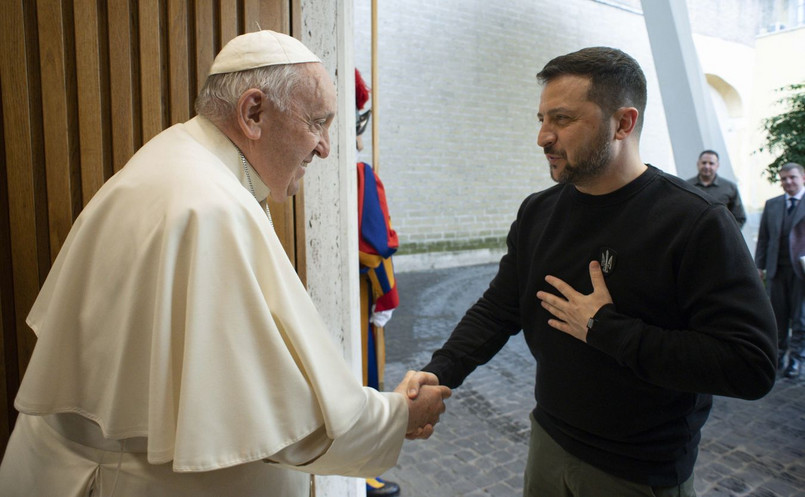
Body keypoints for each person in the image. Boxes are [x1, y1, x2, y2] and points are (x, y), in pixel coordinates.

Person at [0, 30, 451, 497]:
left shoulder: (174, 157)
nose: (325, 149)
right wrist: (398, 416)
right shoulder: (211, 207)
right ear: (253, 113)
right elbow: (283, 420)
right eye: (318, 122)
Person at [415, 47, 777, 497]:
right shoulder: (538, 212)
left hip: (638, 470)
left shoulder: (695, 222)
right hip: (548, 440)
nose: (543, 137)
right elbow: (499, 308)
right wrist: (441, 371)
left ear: (623, 123)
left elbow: (751, 365)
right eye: (541, 119)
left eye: (562, 120)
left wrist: (605, 328)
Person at [355, 67, 403, 497]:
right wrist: (387, 293)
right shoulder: (360, 175)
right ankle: (365, 470)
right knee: (365, 375)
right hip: (357, 293)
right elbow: (377, 245)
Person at [755, 162, 805, 379]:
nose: (788, 182)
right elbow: (764, 238)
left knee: (800, 317)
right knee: (777, 316)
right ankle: (776, 355)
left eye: (792, 177)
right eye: (783, 178)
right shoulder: (772, 204)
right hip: (777, 269)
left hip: (801, 272)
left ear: (803, 178)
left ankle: (796, 359)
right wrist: (759, 265)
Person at [686, 149, 747, 227]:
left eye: (711, 163)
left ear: (717, 165)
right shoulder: (686, 186)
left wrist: (727, 234)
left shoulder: (730, 187)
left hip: (720, 236)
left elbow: (739, 217)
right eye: (704, 163)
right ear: (698, 164)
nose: (707, 166)